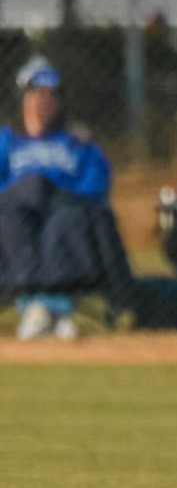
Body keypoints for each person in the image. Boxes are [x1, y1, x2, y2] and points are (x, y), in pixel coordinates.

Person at [0, 57, 124, 340]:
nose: (44, 101)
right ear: (22, 99)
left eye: (51, 95)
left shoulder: (77, 142)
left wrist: (53, 195)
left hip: (66, 208)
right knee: (13, 215)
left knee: (66, 220)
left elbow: (96, 183)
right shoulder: (6, 141)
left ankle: (49, 308)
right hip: (17, 211)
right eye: (37, 94)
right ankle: (41, 309)